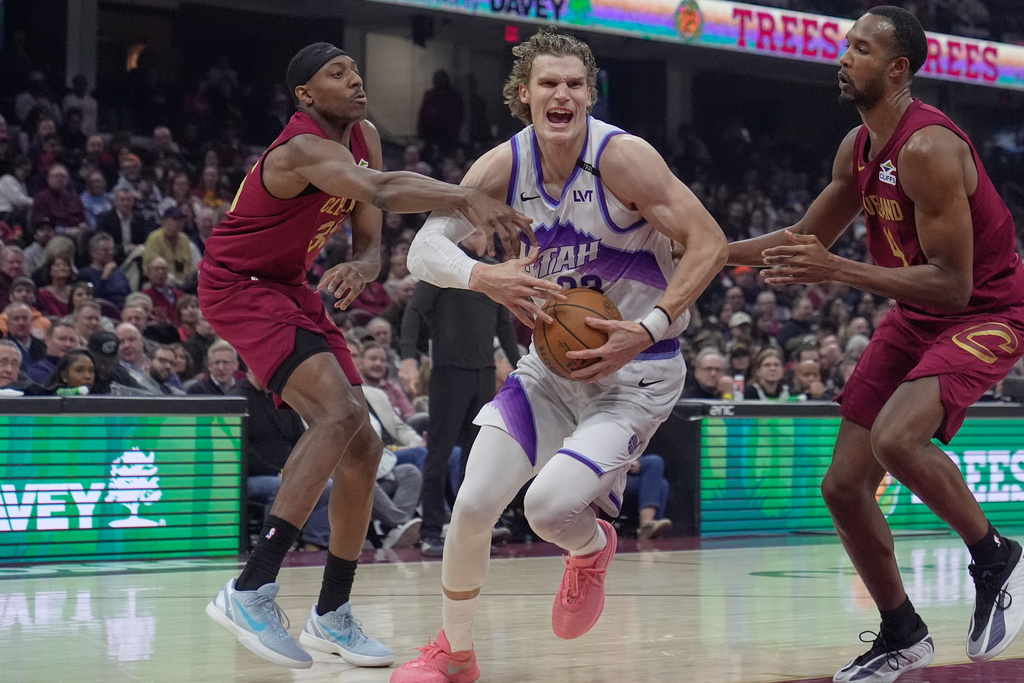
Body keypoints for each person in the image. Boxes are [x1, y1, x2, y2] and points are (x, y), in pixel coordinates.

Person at [393, 29, 726, 682]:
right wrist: (483, 276)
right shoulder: (501, 168)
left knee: (548, 510)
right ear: (524, 94)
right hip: (549, 371)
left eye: (575, 83)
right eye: (549, 83)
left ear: (590, 93)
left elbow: (708, 241)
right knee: (472, 505)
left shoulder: (624, 160)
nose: (563, 94)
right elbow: (424, 250)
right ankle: (454, 653)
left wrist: (650, 323)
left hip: (637, 371)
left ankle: (593, 545)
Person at [198, 42, 534, 671]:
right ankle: (252, 587)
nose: (355, 81)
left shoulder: (365, 134)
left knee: (366, 444)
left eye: (356, 71)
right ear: (304, 94)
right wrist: (464, 198)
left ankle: (332, 613)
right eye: (337, 74)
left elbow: (373, 230)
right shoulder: (299, 148)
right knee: (335, 417)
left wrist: (364, 262)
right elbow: (380, 186)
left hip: (291, 287)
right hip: (239, 285)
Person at [727, 7, 1024, 681]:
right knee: (842, 486)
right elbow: (800, 240)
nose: (843, 57)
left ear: (897, 70)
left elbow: (954, 285)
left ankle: (994, 555)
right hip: (915, 310)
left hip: (988, 308)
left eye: (860, 49)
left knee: (896, 438)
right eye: (846, 45)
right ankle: (902, 631)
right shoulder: (856, 149)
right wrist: (702, 251)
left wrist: (838, 271)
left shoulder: (928, 149)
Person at [399, 227, 524, 556]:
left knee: (477, 459)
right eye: (473, 227)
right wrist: (408, 357)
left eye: (485, 228)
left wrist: (521, 366)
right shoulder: (445, 267)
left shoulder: (493, 273)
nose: (479, 232)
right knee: (439, 455)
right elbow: (413, 312)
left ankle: (469, 533)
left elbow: (504, 327)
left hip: (484, 374)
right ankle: (430, 532)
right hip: (449, 372)